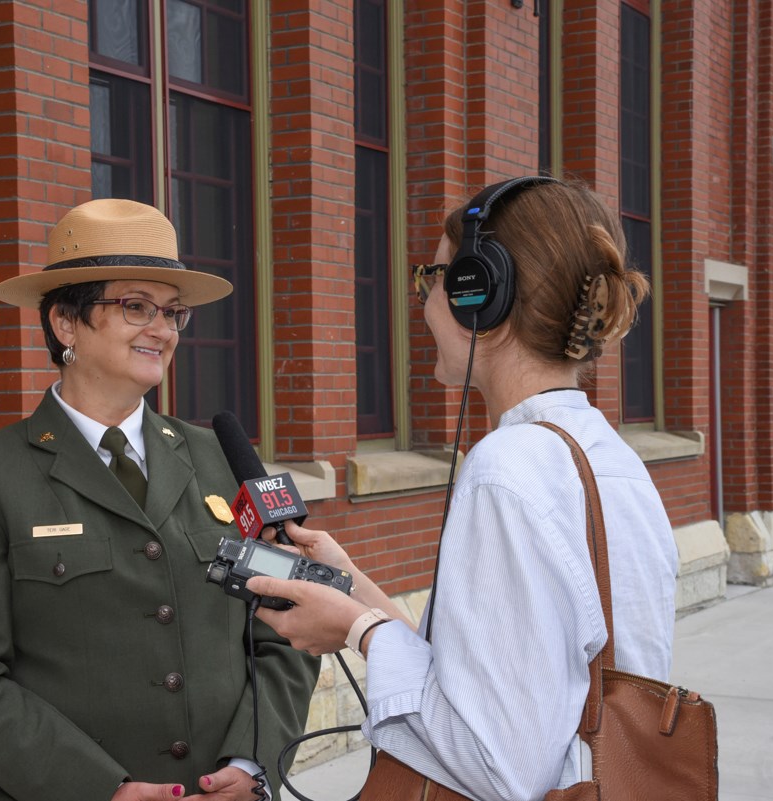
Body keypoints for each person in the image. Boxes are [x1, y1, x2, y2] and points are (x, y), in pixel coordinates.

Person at [245, 177, 680, 801]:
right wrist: (355, 593)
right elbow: (519, 681)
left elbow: (499, 763)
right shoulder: (606, 454)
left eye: (438, 276)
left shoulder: (506, 469)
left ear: (482, 298)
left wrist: (359, 631)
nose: (424, 301)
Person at [0, 199, 319, 801]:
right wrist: (100, 789)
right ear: (66, 324)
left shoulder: (220, 459)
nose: (162, 329)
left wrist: (253, 762)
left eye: (173, 313)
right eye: (135, 306)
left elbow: (284, 633)